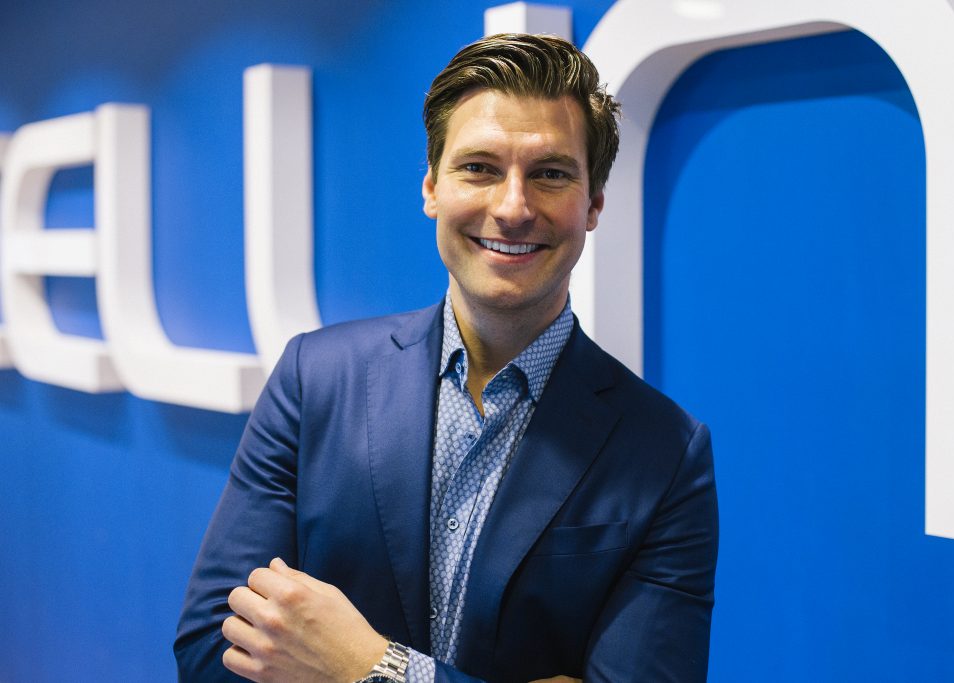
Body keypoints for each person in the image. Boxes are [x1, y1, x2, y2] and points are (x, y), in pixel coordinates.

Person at [175, 33, 718, 683]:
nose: (512, 207)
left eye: (550, 173)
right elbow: (211, 649)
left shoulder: (664, 452)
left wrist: (368, 665)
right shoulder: (314, 379)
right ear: (432, 187)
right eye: (479, 168)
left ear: (593, 203)